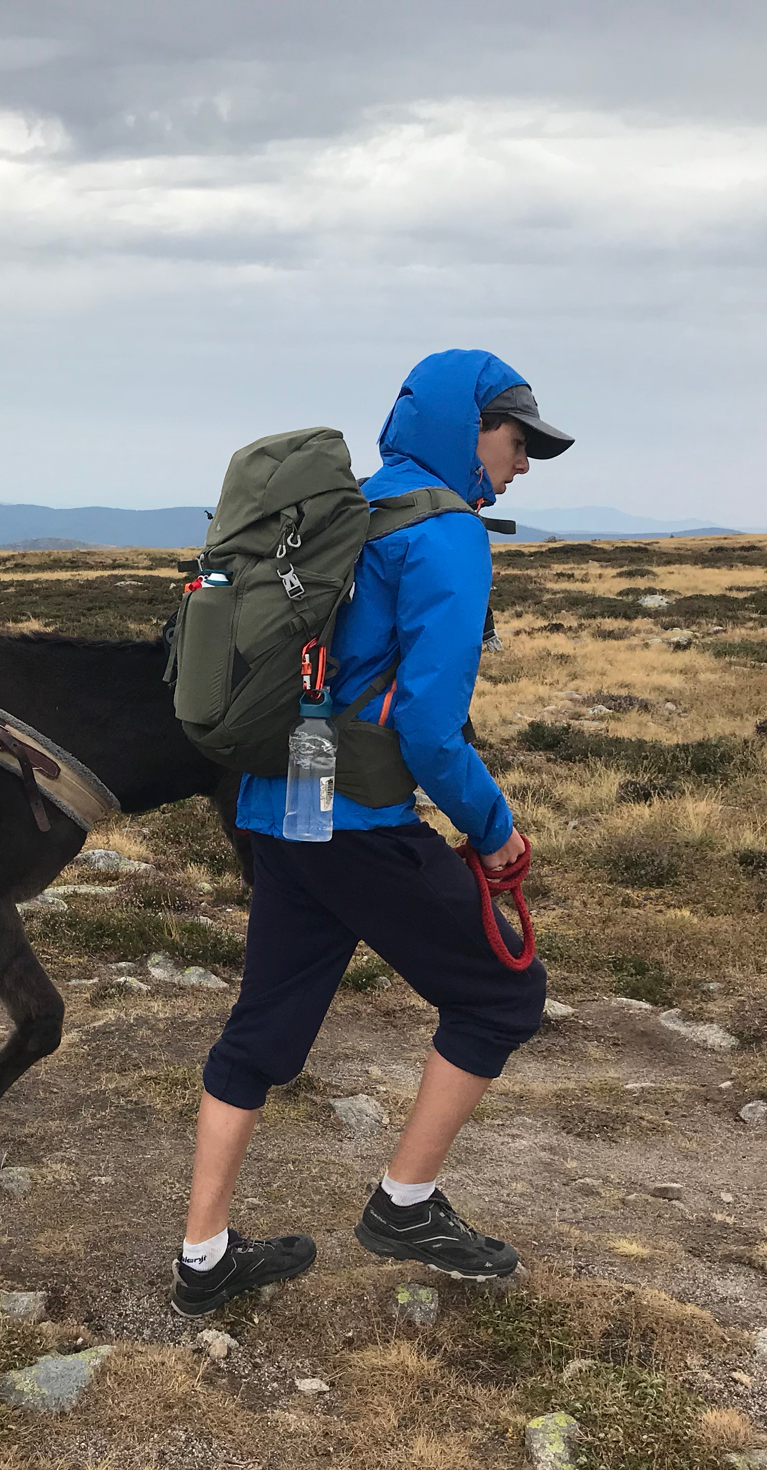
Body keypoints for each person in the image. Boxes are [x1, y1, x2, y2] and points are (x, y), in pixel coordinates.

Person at [171, 349, 572, 1317]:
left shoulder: (348, 513)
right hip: (356, 826)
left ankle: (203, 1257)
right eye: (515, 442)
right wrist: (492, 831)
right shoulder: (443, 539)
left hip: (280, 809)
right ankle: (405, 1203)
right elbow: (429, 733)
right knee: (504, 995)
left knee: (256, 1033)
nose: (520, 465)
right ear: (465, 428)